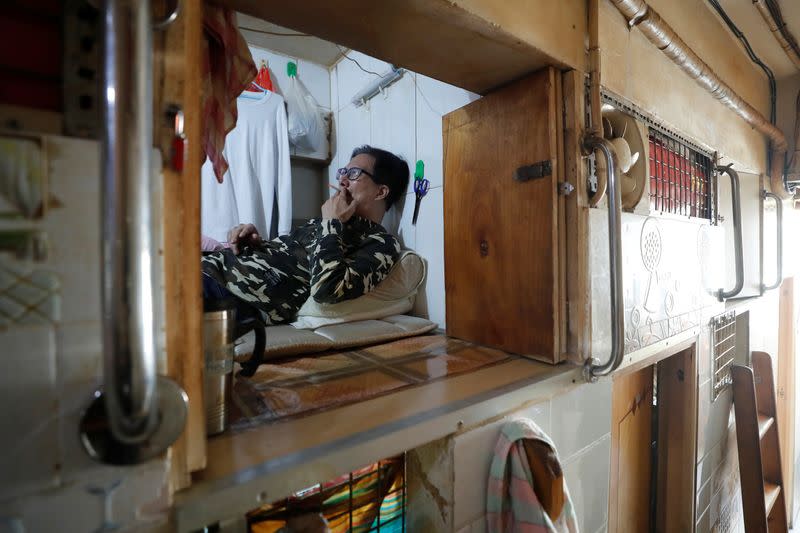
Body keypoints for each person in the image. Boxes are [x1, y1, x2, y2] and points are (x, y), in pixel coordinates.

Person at [201, 145, 410, 326]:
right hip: (212, 266)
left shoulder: (381, 243)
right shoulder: (324, 222)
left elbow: (327, 291)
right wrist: (256, 244)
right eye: (342, 172)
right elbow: (290, 260)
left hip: (229, 292)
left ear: (381, 192)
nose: (342, 180)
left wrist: (331, 223)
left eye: (354, 173)